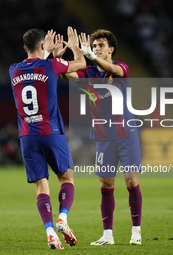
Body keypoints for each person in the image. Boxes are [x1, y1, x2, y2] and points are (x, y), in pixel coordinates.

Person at [60, 29, 142, 245]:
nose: (97, 49)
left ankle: (136, 232)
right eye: (94, 46)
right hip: (104, 134)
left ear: (111, 49)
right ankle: (108, 235)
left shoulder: (120, 67)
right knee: (106, 185)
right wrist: (61, 56)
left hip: (126, 132)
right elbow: (66, 74)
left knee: (132, 181)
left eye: (101, 45)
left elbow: (113, 69)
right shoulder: (88, 73)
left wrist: (90, 55)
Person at [9, 27, 86, 250]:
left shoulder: (13, 70)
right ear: (44, 46)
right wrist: (73, 48)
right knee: (66, 178)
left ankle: (50, 232)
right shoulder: (51, 65)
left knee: (42, 188)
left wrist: (46, 52)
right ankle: (62, 218)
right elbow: (80, 65)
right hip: (51, 132)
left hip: (27, 136)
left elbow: (33, 67)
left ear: (25, 48)